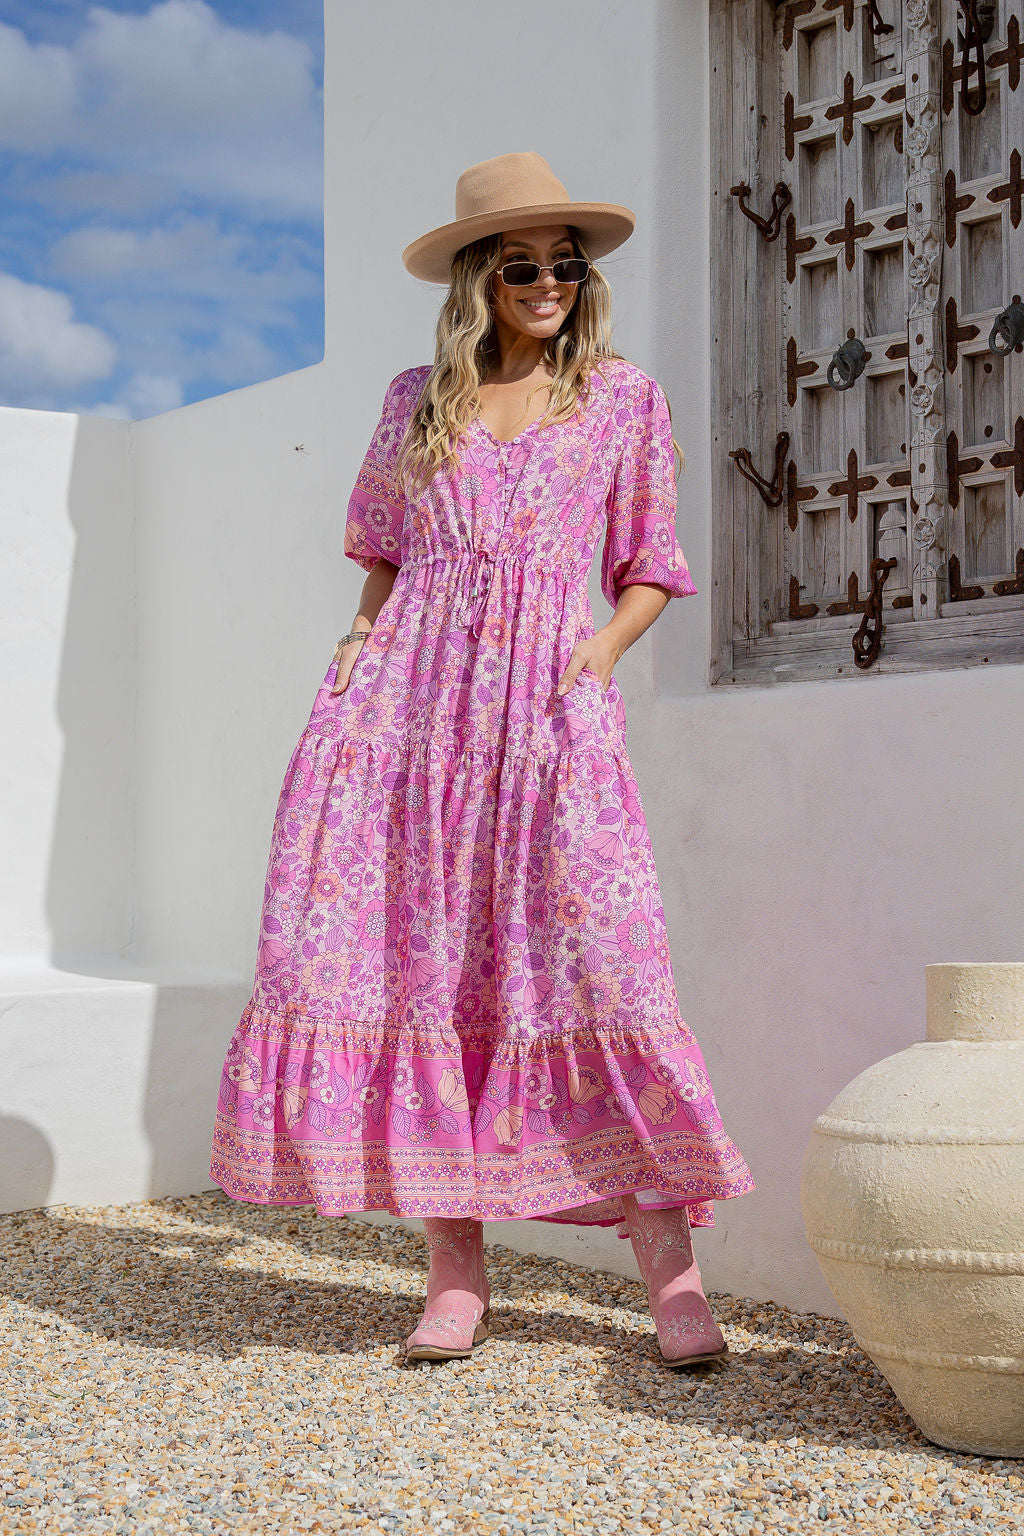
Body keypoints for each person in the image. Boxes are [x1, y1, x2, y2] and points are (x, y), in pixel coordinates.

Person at [209, 152, 754, 1369]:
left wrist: (597, 657)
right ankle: (455, 1270)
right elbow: (385, 552)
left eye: (568, 264)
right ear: (479, 278)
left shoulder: (622, 398)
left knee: (597, 970)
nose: (550, 281)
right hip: (411, 706)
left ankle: (672, 1274)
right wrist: (355, 648)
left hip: (549, 708)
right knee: (425, 966)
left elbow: (652, 563)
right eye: (523, 266)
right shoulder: (418, 398)